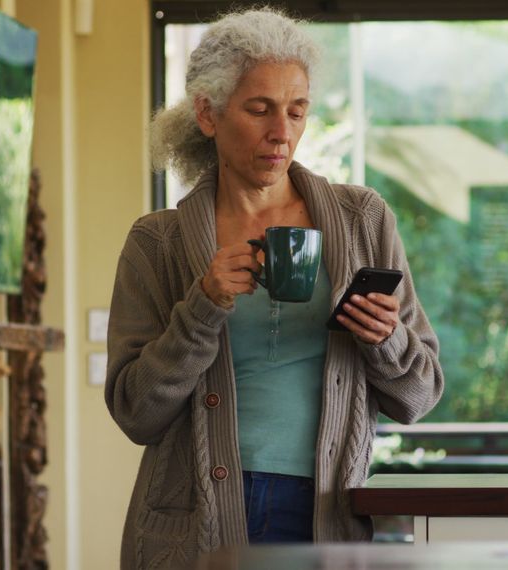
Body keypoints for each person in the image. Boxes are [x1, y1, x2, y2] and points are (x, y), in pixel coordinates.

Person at [105, 7, 443, 568]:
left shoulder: (363, 220)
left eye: (296, 110)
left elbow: (420, 395)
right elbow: (135, 411)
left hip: (325, 512)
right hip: (193, 523)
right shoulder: (157, 243)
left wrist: (386, 339)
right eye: (259, 109)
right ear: (208, 114)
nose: (281, 132)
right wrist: (202, 307)